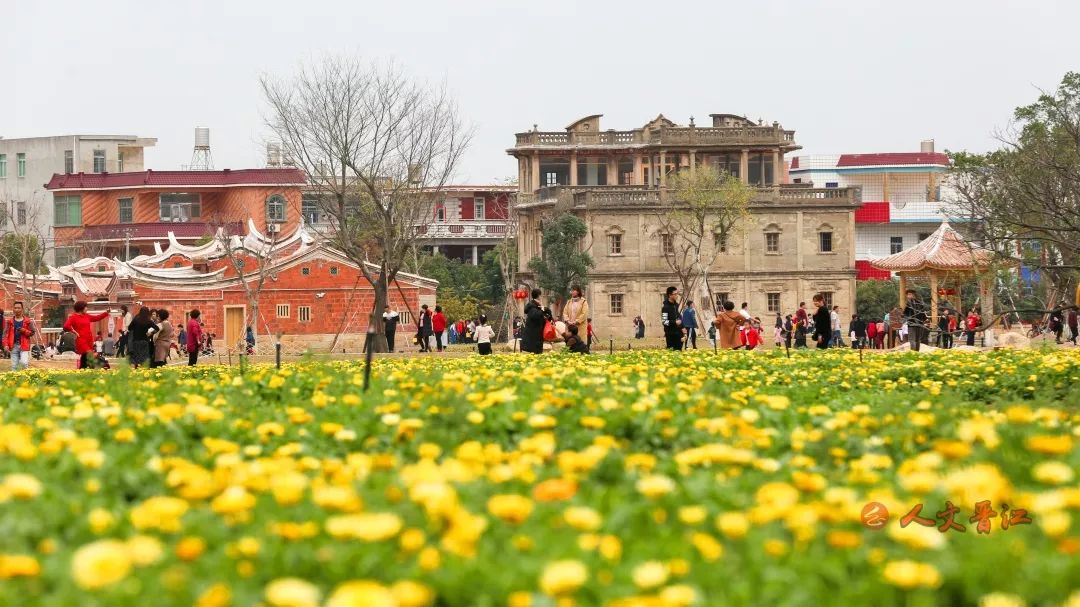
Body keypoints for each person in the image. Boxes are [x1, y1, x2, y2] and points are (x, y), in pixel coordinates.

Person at [63, 301, 111, 369]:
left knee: (85, 356)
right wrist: (74, 332)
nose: (87, 309)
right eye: (86, 307)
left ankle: (83, 370)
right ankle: (99, 366)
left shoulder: (86, 316)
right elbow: (66, 326)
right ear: (81, 308)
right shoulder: (73, 317)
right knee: (89, 354)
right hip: (81, 340)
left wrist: (106, 313)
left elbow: (97, 318)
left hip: (89, 339)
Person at [4, 301, 35, 371]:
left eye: (18, 308)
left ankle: (25, 379)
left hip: (24, 345)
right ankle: (15, 381)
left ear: (22, 309)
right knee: (14, 366)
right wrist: (6, 344)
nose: (17, 309)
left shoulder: (28, 321)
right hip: (13, 346)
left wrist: (24, 331)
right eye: (15, 308)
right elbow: (5, 334)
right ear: (13, 309)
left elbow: (32, 333)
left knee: (24, 363)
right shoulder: (9, 322)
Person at [521, 289, 552, 354]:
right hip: (533, 331)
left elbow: (543, 314)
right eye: (541, 295)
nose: (542, 297)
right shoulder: (532, 305)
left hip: (537, 330)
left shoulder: (538, 305)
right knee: (534, 351)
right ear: (539, 296)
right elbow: (535, 315)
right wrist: (543, 310)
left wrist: (547, 316)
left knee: (537, 350)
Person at [661, 287, 683, 351]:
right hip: (670, 334)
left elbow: (679, 317)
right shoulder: (665, 308)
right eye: (675, 294)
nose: (677, 296)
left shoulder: (676, 305)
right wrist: (674, 322)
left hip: (678, 333)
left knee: (679, 352)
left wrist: (683, 327)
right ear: (670, 295)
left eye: (677, 294)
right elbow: (664, 322)